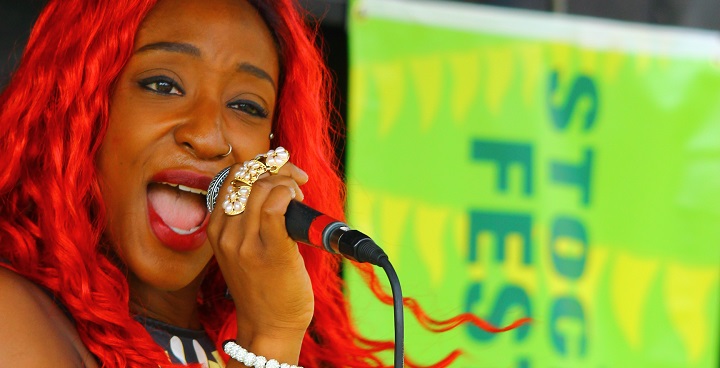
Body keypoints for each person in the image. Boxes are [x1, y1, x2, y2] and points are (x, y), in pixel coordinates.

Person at [0, 0, 525, 366]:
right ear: (77, 111)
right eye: (163, 84)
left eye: (246, 106)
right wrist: (269, 340)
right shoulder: (15, 317)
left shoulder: (278, 343)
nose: (208, 136)